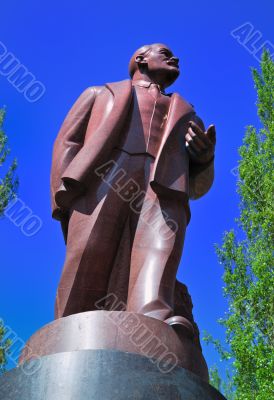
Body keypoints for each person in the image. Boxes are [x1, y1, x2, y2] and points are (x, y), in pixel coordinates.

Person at [50, 43, 216, 332]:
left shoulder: (188, 115)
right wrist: (63, 195)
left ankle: (155, 321)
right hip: (107, 174)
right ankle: (70, 325)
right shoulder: (100, 94)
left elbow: (197, 185)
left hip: (163, 183)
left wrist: (204, 159)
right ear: (141, 59)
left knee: (160, 248)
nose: (175, 58)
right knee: (91, 248)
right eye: (165, 53)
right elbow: (68, 141)